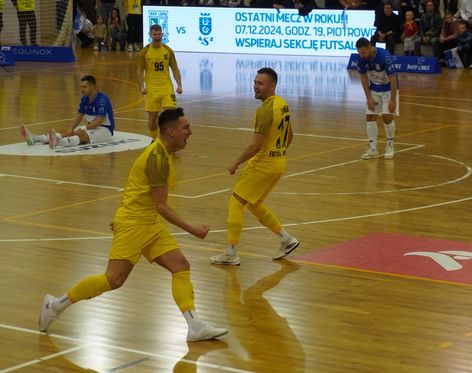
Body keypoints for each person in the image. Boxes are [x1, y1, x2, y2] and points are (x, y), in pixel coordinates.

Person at [39, 107, 228, 342]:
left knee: (180, 265)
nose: (190, 131)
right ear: (171, 131)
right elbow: (162, 206)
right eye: (186, 127)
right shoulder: (158, 157)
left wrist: (120, 213)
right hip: (135, 224)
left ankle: (194, 325)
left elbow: (135, 185)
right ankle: (54, 306)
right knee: (113, 280)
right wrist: (194, 230)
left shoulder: (161, 152)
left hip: (147, 221)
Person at [210, 67, 300, 266]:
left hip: (263, 164)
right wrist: (278, 154)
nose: (256, 86)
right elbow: (290, 134)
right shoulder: (282, 103)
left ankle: (231, 252)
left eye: (260, 83)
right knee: (254, 203)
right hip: (278, 163)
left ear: (272, 85)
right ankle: (286, 239)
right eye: (255, 82)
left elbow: (255, 145)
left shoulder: (265, 110)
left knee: (236, 203)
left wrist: (235, 162)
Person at [20, 75, 115, 149]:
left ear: (93, 87)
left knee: (81, 134)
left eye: (84, 87)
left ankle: (58, 142)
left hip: (105, 130)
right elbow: (78, 117)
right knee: (69, 131)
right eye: (81, 87)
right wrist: (71, 128)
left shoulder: (102, 99)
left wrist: (83, 128)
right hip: (92, 127)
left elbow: (99, 121)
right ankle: (36, 138)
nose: (81, 89)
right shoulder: (84, 99)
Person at [354, 37, 398, 160]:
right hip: (374, 89)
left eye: (363, 52)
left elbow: (393, 78)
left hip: (389, 89)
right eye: (359, 53)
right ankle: (373, 149)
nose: (361, 55)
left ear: (370, 47)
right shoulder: (361, 59)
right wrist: (368, 97)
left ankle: (390, 146)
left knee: (387, 117)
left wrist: (393, 99)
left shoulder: (384, 56)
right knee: (370, 116)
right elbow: (363, 78)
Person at [138, 24, 183, 140]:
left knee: (171, 114)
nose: (157, 36)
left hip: (166, 87)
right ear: (150, 35)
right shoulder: (145, 52)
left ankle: (169, 139)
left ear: (162, 34)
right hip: (151, 89)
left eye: (159, 34)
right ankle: (155, 139)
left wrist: (179, 85)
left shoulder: (168, 50)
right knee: (153, 118)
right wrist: (141, 87)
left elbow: (174, 67)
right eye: (154, 34)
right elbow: (140, 70)